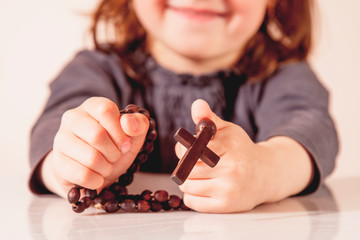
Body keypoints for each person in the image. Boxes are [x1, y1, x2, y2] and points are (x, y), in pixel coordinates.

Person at [29, 0, 339, 213]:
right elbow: (53, 127)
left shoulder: (284, 75)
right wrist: (70, 162)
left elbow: (313, 130)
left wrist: (266, 170)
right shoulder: (95, 70)